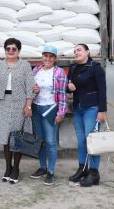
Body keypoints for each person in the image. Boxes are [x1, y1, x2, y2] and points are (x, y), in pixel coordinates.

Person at [0, 38, 35, 184]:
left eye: (14, 49)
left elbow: (30, 87)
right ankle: (8, 167)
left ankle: (16, 169)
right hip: (3, 103)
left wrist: (28, 106)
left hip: (19, 104)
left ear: (18, 51)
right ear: (5, 50)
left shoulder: (25, 65)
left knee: (17, 138)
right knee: (5, 137)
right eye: (8, 49)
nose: (11, 51)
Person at [67, 43, 107, 187]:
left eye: (79, 50)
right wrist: (68, 87)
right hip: (78, 108)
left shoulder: (95, 68)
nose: (76, 52)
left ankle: (94, 172)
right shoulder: (72, 68)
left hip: (92, 108)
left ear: (87, 52)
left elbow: (102, 90)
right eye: (74, 51)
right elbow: (69, 86)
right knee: (82, 141)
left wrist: (102, 111)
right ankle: (82, 168)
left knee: (93, 141)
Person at [30, 45, 69, 185]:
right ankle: (42, 167)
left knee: (51, 141)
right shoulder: (36, 70)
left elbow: (63, 96)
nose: (47, 59)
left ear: (55, 58)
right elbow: (31, 89)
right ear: (42, 57)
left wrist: (61, 113)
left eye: (51, 56)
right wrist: (33, 90)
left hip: (50, 109)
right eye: (45, 56)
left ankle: (51, 171)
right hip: (37, 109)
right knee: (40, 140)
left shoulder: (59, 73)